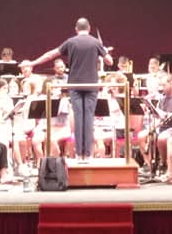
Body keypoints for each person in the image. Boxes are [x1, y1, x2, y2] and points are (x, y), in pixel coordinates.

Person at [28, 18, 113, 162]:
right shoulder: (95, 42)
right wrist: (102, 52)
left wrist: (33, 63)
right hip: (91, 85)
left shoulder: (71, 42)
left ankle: (80, 155)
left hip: (74, 85)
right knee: (88, 118)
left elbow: (51, 54)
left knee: (79, 118)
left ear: (76, 29)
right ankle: (88, 154)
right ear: (89, 28)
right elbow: (110, 61)